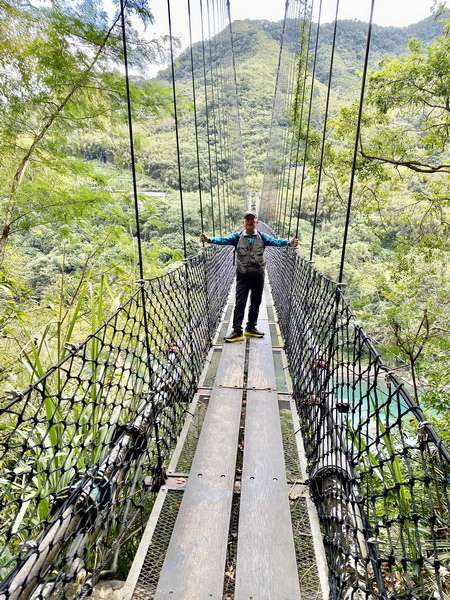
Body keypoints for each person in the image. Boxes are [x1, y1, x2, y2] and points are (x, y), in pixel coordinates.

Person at [200, 210, 298, 342]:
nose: (250, 222)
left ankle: (251, 328)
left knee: (256, 302)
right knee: (240, 302)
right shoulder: (237, 237)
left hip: (258, 275)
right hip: (243, 275)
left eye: (252, 219)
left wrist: (289, 243)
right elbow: (223, 240)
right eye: (247, 220)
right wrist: (209, 240)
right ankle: (237, 331)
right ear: (243, 223)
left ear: (256, 222)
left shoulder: (263, 237)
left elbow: (276, 241)